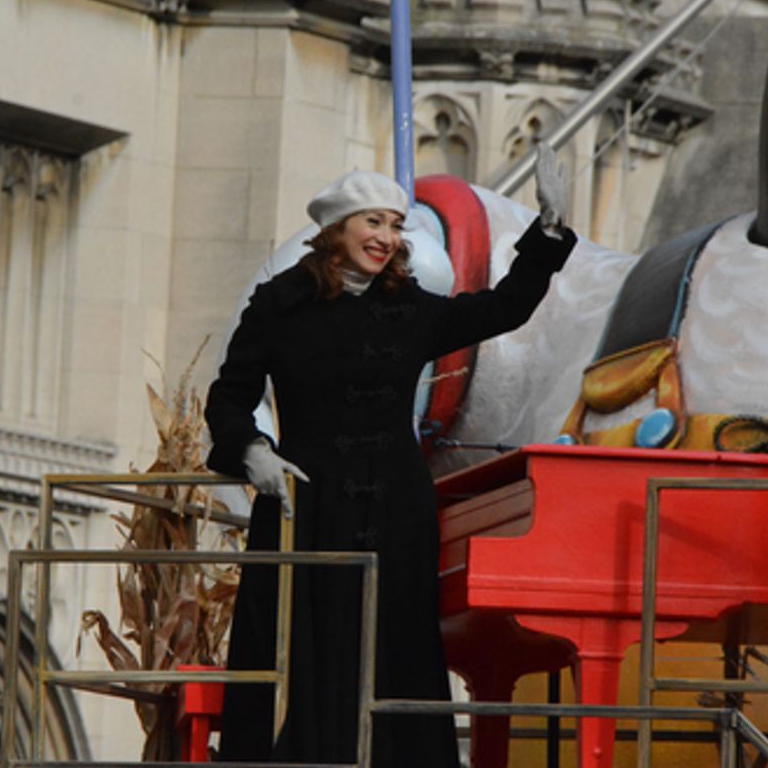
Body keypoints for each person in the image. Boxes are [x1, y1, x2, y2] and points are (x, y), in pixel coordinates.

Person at [205, 169, 576, 766]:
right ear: (336, 229)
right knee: (299, 647)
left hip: (393, 513)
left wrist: (549, 231)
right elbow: (229, 395)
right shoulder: (278, 305)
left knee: (393, 648)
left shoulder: (407, 309)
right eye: (373, 221)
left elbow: (504, 308)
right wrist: (252, 451)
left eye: (396, 225)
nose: (386, 236)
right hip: (307, 504)